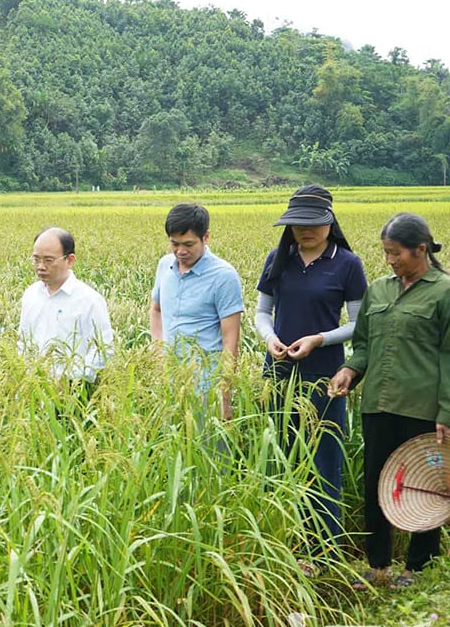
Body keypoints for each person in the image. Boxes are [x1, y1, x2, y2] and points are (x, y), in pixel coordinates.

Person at [329, 213, 450, 589]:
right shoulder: (379, 290)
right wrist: (350, 370)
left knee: (427, 486)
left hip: (423, 408)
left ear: (421, 249)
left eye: (396, 253)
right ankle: (377, 564)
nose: (389, 260)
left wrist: (446, 411)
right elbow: (364, 344)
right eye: (385, 252)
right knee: (377, 484)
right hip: (378, 405)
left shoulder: (445, 291)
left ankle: (418, 566)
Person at [254, 186, 366, 565]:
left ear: (329, 222)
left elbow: (358, 323)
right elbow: (262, 312)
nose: (304, 230)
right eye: (297, 224)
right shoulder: (278, 259)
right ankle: (285, 547)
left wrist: (319, 339)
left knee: (323, 461)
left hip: (325, 378)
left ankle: (324, 552)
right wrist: (270, 338)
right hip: (279, 374)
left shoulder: (347, 263)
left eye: (312, 224)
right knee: (282, 458)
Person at [150, 203, 243, 418]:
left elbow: (230, 340)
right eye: (174, 244)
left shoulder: (224, 276)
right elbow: (156, 309)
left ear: (206, 237)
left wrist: (224, 394)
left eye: (188, 244)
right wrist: (157, 348)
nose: (180, 251)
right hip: (169, 380)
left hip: (206, 384)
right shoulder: (165, 266)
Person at [18, 226, 113, 383]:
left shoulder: (89, 300)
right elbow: (23, 342)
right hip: (31, 388)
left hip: (73, 390)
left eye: (48, 260)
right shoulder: (30, 294)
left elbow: (102, 351)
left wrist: (70, 380)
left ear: (70, 260)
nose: (40, 266)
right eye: (36, 259)